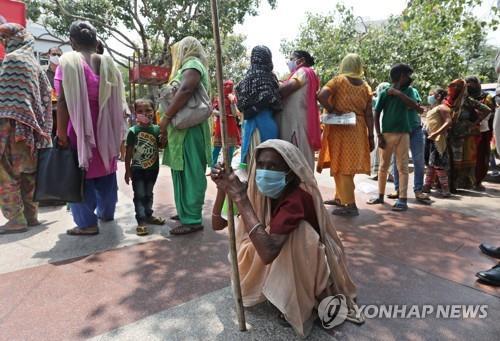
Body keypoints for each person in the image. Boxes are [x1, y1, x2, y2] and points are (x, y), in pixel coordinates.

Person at [211, 139, 363, 337]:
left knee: (298, 234)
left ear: (290, 172)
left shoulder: (296, 199)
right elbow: (218, 225)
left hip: (311, 264)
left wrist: (241, 198)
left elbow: (268, 253)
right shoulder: (257, 191)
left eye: (273, 166)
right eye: (262, 165)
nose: (264, 171)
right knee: (249, 224)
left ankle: (299, 301)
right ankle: (273, 288)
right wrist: (222, 189)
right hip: (275, 251)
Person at [55, 21, 127, 235]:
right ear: (96, 41)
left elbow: (62, 101)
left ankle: (86, 224)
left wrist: (60, 133)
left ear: (72, 41)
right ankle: (106, 213)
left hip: (79, 129)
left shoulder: (67, 63)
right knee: (106, 170)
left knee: (80, 175)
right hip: (107, 129)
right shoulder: (109, 64)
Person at [0, 23, 52, 234]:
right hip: (31, 130)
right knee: (28, 173)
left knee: (6, 174)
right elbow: (47, 95)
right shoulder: (35, 65)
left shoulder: (11, 60)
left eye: (5, 39)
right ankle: (31, 216)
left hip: (7, 128)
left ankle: (15, 219)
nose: (4, 43)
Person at [159, 36, 212, 235]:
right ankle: (185, 212)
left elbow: (187, 88)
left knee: (191, 173)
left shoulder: (192, 63)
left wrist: (166, 117)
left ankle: (192, 219)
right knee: (181, 172)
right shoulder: (188, 65)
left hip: (190, 130)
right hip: (181, 131)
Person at [316, 53, 374, 216]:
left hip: (340, 129)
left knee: (342, 166)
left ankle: (350, 205)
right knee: (346, 165)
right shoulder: (366, 87)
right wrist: (371, 136)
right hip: (358, 129)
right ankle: (340, 197)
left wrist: (334, 110)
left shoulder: (338, 81)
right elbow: (369, 114)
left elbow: (321, 95)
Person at [367, 63, 423, 211]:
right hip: (386, 134)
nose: (410, 78)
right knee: (383, 167)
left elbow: (415, 107)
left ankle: (402, 199)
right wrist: (378, 135)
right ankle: (380, 195)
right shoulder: (385, 93)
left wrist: (398, 94)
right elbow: (377, 113)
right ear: (401, 76)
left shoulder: (409, 91)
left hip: (404, 134)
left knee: (402, 167)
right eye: (407, 75)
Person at [124, 98, 165, 236]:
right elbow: (128, 153)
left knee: (148, 193)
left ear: (153, 112)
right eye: (140, 111)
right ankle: (141, 220)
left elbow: (161, 146)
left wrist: (164, 140)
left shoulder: (157, 129)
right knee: (140, 194)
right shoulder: (133, 131)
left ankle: (148, 215)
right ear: (135, 113)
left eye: (148, 110)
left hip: (153, 169)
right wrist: (127, 170)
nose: (145, 113)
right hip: (137, 170)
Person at [236, 45, 282, 165]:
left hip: (248, 125)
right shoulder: (270, 77)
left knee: (251, 161)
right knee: (269, 160)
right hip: (267, 124)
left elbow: (240, 106)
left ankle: (250, 183)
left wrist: (252, 109)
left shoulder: (244, 80)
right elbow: (276, 101)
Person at [387, 80, 430, 203]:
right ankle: (398, 189)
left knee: (419, 161)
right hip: (400, 130)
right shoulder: (389, 92)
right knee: (397, 161)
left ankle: (418, 190)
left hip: (415, 129)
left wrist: (399, 96)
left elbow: (414, 106)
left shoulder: (412, 91)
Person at [278, 50, 321, 170]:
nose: (289, 62)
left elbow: (285, 89)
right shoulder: (310, 74)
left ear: (301, 61)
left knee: (297, 158)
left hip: (296, 124)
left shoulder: (303, 71)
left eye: (291, 59)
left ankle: (303, 187)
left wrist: (273, 83)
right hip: (299, 121)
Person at [448, 79, 491, 192]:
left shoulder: (467, 100)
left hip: (462, 135)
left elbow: (487, 110)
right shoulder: (449, 100)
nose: (453, 89)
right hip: (449, 135)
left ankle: (455, 184)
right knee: (449, 159)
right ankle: (448, 183)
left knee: (458, 160)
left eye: (456, 87)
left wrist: (474, 123)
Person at [422, 84, 456, 197]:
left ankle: (445, 189)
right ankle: (427, 186)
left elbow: (448, 122)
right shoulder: (433, 108)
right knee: (430, 165)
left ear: (438, 96)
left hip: (438, 140)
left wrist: (436, 133)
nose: (429, 97)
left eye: (432, 95)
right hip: (430, 139)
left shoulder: (442, 107)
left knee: (439, 165)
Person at [465, 76, 495, 191]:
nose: (469, 86)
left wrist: (477, 118)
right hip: (467, 133)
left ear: (477, 84)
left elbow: (490, 113)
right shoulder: (464, 97)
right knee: (468, 158)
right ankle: (467, 181)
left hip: (483, 132)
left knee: (482, 158)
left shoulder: (487, 97)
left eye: (471, 83)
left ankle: (477, 181)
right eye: (467, 83)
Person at [212, 80, 240, 166]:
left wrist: (232, 102)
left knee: (230, 147)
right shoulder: (218, 98)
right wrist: (222, 114)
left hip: (230, 124)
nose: (228, 88)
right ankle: (213, 165)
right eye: (226, 86)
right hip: (220, 124)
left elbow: (235, 113)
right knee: (217, 146)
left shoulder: (233, 98)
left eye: (230, 86)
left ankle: (227, 166)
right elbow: (212, 111)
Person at [370, 82, 390, 180]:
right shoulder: (390, 99)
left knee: (379, 151)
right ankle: (389, 174)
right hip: (387, 127)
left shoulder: (377, 100)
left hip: (380, 128)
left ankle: (380, 173)